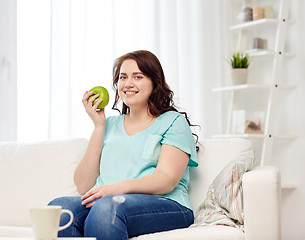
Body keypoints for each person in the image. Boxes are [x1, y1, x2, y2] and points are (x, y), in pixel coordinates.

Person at [48, 50, 199, 240]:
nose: (128, 83)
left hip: (167, 204)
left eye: (138, 76)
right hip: (109, 203)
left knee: (107, 208)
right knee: (59, 209)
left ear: (154, 82)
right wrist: (98, 126)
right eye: (123, 77)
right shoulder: (109, 125)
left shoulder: (173, 121)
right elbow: (83, 186)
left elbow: (166, 180)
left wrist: (116, 189)